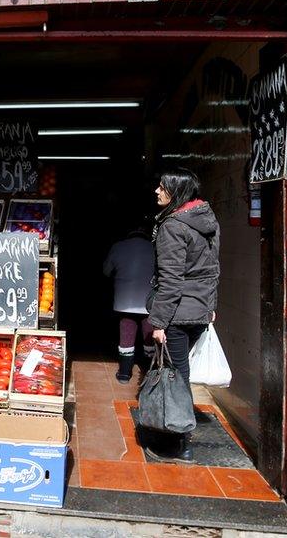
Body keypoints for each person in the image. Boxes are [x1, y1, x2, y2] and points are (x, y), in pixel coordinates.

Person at [145, 168, 220, 464]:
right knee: (180, 373)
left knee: (177, 378)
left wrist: (159, 321)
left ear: (176, 192)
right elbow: (212, 269)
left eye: (162, 187)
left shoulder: (173, 226)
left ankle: (178, 442)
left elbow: (171, 279)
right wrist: (210, 306)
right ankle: (176, 435)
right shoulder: (207, 221)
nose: (156, 191)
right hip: (198, 310)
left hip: (176, 314)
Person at [103, 222, 156, 383]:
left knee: (127, 332)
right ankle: (148, 371)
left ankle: (125, 373)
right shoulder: (155, 249)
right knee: (149, 336)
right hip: (149, 301)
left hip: (124, 301)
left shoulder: (118, 247)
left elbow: (106, 271)